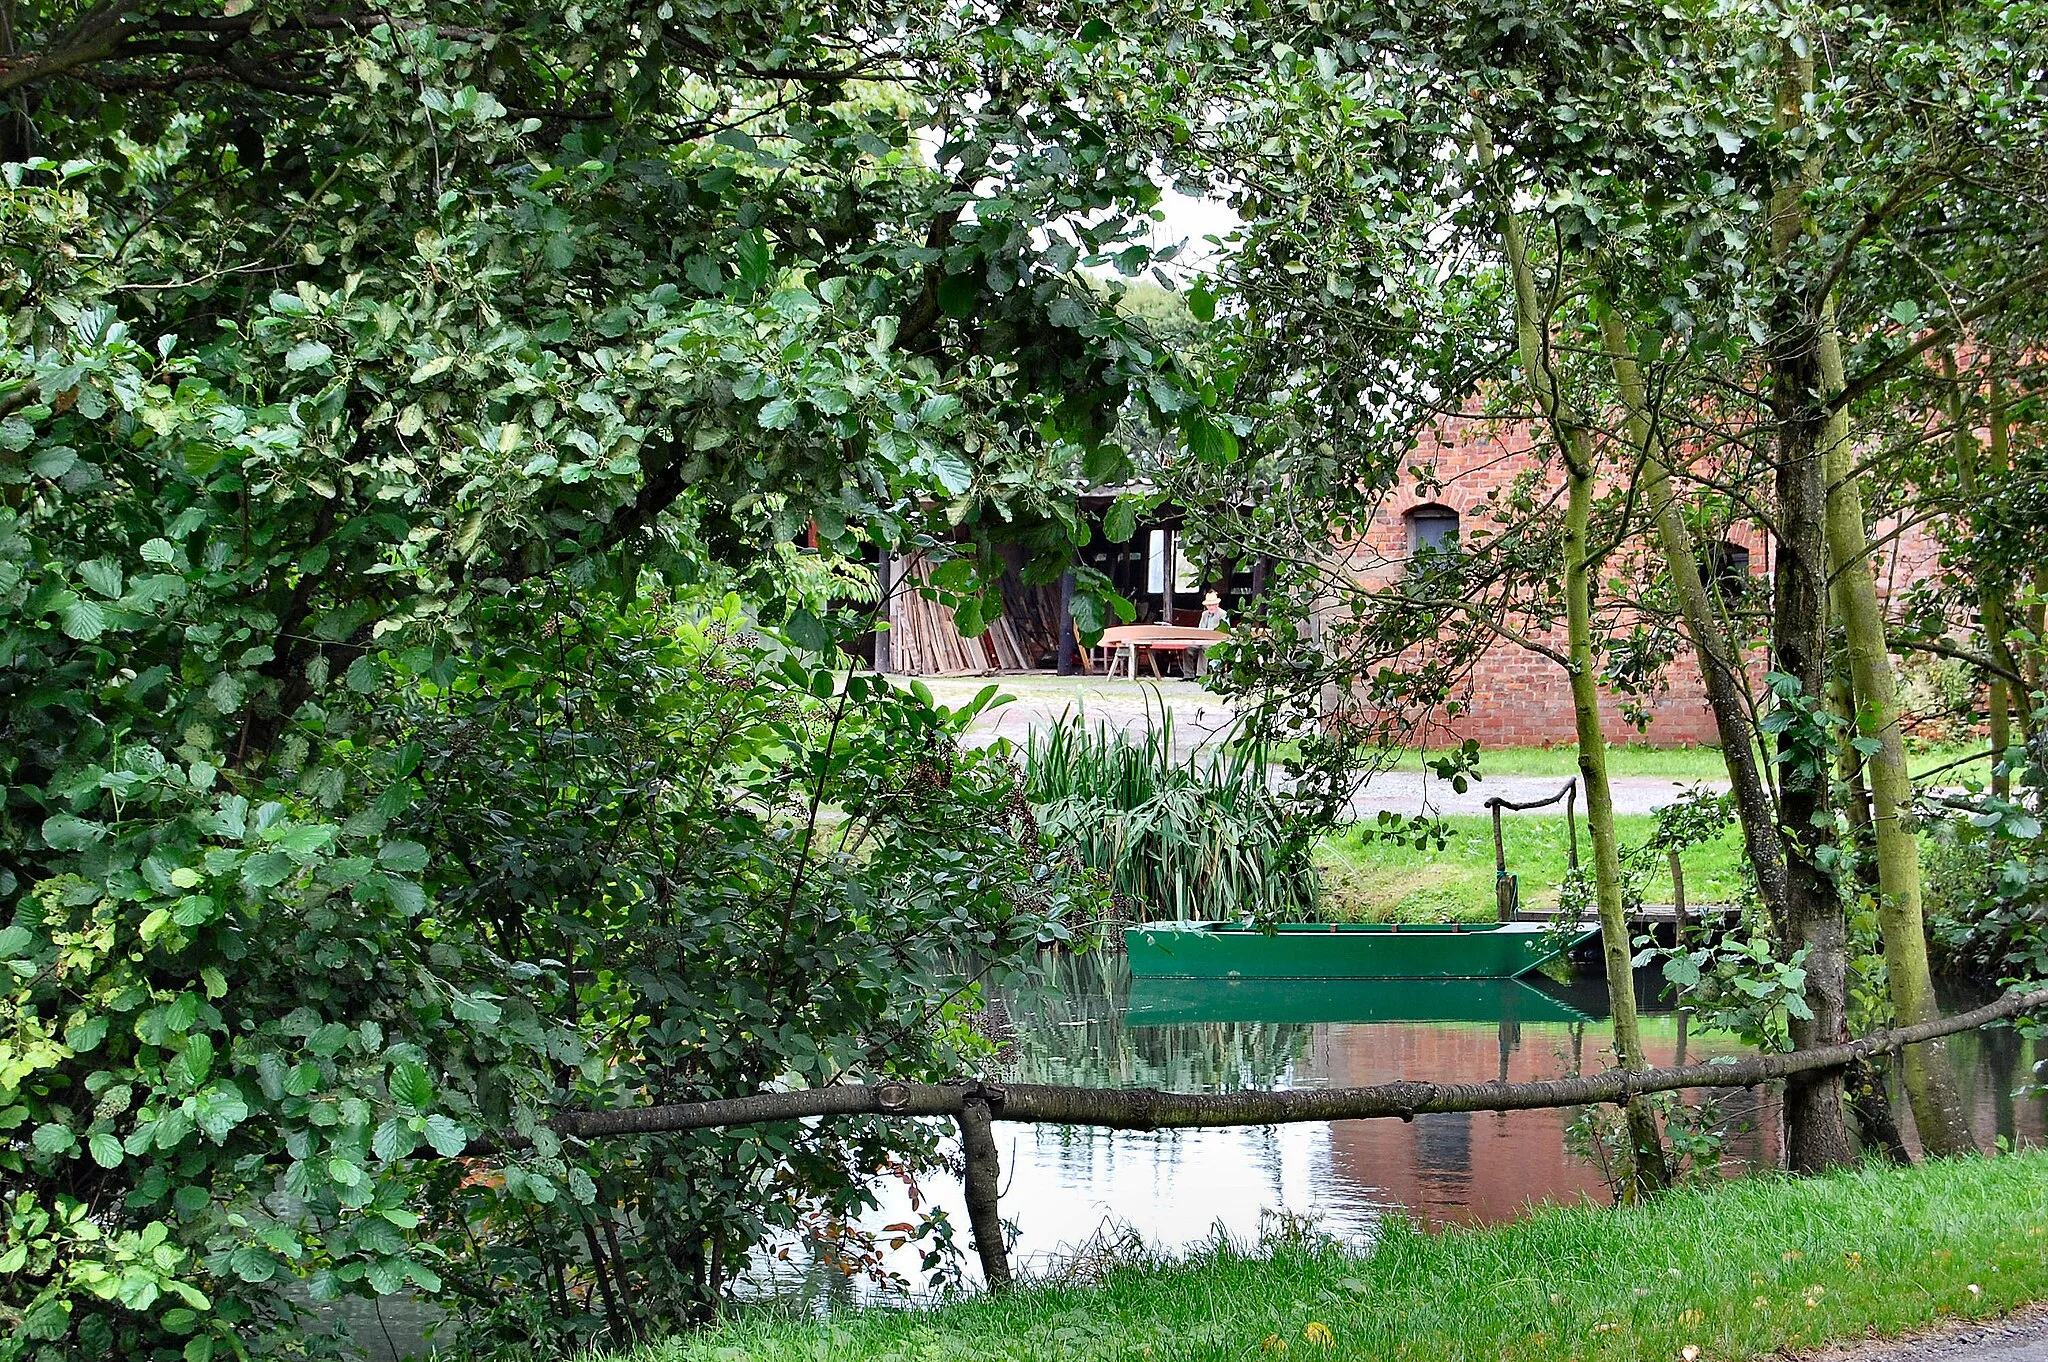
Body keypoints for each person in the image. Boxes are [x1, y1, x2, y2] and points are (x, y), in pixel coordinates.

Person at [1189, 590, 1229, 676]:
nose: (1211, 607)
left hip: (1216, 642)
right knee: (1187, 648)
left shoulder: (1223, 614)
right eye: (1209, 605)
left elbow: (1225, 632)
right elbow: (1200, 629)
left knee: (1205, 648)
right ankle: (1188, 675)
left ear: (1217, 605)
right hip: (1202, 640)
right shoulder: (1204, 614)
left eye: (1213, 605)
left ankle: (1201, 674)